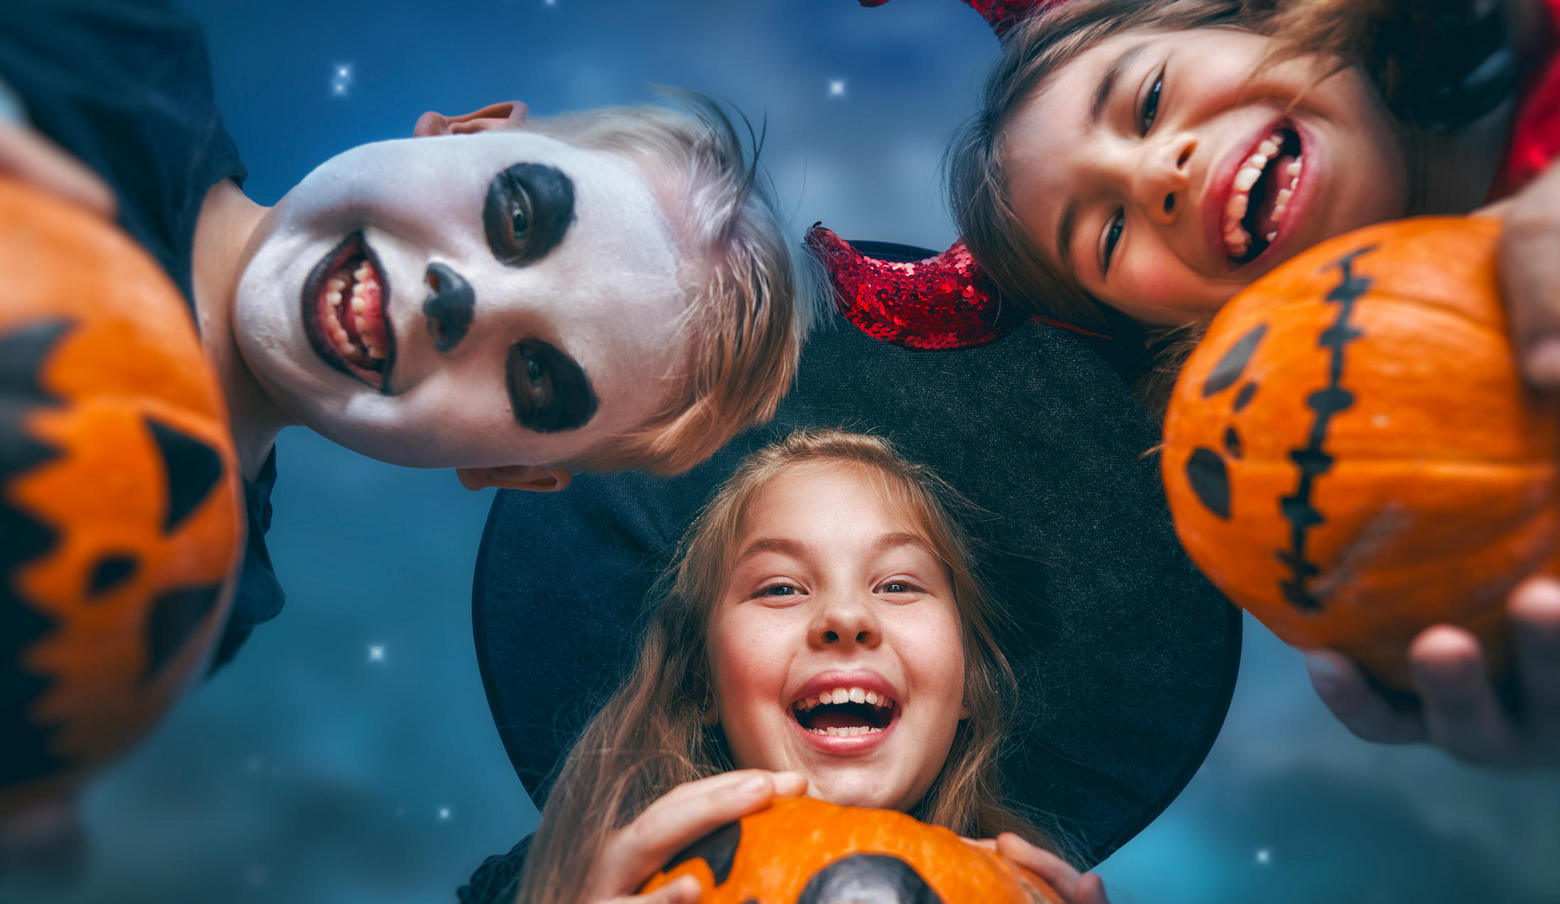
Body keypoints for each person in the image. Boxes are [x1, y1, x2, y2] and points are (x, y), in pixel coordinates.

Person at [0, 0, 815, 665]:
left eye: (535, 376)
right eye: (518, 215)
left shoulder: (188, 599)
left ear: (503, 466)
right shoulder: (109, 54)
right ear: (468, 131)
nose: (461, 302)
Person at [945, 0, 1560, 767]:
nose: (1154, 175)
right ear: (1175, 339)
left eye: (1148, 100)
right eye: (1109, 234)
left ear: (1252, 19)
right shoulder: (1345, 509)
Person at [505, 428, 1109, 904]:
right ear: (699, 681)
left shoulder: (1026, 896)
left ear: (967, 679)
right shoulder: (546, 891)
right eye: (780, 589)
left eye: (897, 584)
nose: (845, 616)